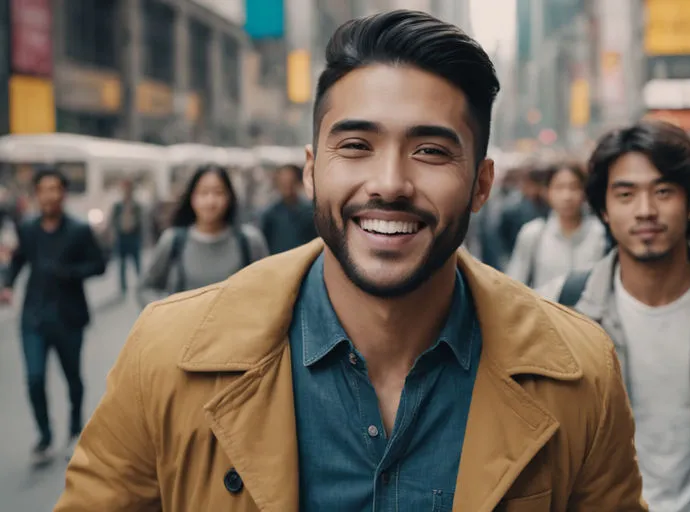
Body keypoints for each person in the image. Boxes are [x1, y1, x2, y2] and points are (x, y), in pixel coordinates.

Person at [55, 11, 645, 511]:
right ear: (313, 169)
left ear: (481, 185)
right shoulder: (166, 355)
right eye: (356, 146)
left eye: (431, 151)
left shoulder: (579, 374)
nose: (389, 183)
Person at [537, 121, 690, 512]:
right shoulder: (561, 310)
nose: (645, 211)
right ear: (605, 210)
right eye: (625, 194)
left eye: (663, 192)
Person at [0, 167, 106, 465]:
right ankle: (45, 435)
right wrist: (7, 284)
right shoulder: (29, 229)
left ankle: (75, 430)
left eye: (55, 189)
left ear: (63, 194)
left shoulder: (79, 230)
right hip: (33, 318)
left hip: (69, 318)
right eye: (44, 189)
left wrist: (71, 273)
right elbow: (19, 260)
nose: (50, 195)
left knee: (73, 378)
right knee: (34, 379)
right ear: (36, 195)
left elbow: (99, 265)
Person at [137, 165, 269, 308]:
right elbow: (146, 289)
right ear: (192, 197)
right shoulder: (174, 241)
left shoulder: (249, 241)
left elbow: (268, 290)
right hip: (184, 328)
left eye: (218, 193)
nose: (210, 201)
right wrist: (167, 309)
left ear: (229, 197)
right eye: (203, 193)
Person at [506, 161, 606, 287]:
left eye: (574, 187)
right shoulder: (534, 233)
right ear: (547, 192)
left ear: (584, 192)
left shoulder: (600, 233)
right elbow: (515, 283)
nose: (567, 196)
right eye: (559, 188)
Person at [259, 164, 316, 254]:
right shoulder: (270, 214)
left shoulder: (310, 212)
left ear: (298, 182)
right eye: (283, 183)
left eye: (291, 182)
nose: (287, 187)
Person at [110, 179, 143, 296]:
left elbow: (142, 222)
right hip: (122, 237)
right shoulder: (118, 205)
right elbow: (113, 221)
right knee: (122, 264)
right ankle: (123, 287)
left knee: (137, 263)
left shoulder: (137, 206)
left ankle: (142, 285)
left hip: (133, 237)